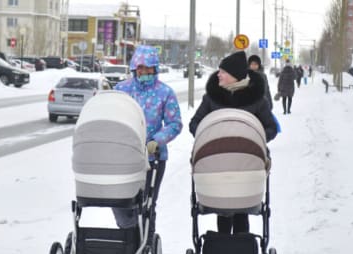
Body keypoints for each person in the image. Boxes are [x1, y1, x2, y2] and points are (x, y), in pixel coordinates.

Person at [189, 50, 277, 236]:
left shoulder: (257, 101)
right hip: (218, 160)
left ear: (235, 76)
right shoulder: (211, 98)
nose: (217, 74)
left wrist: (256, 139)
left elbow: (271, 127)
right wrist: (208, 137)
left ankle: (241, 245)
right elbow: (195, 124)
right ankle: (224, 245)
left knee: (241, 207)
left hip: (247, 161)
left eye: (223, 72)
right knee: (222, 204)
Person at [112, 45, 183, 237]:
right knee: (121, 202)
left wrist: (157, 140)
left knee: (147, 203)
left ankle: (147, 242)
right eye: (140, 68)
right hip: (124, 157)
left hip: (152, 158)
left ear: (155, 68)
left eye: (148, 68)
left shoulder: (165, 93)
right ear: (134, 68)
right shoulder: (121, 90)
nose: (144, 72)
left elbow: (174, 123)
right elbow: (112, 116)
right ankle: (127, 238)